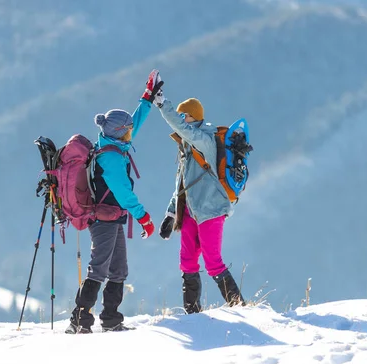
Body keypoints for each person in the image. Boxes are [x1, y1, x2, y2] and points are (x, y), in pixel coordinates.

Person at [65, 72, 162, 334]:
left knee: (118, 269)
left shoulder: (113, 142)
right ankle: (79, 320)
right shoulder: (112, 158)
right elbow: (123, 193)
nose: (132, 133)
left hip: (112, 217)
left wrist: (147, 98)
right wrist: (144, 218)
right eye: (128, 131)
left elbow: (134, 123)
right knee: (99, 268)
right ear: (120, 133)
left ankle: (110, 318)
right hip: (103, 220)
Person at [151, 72, 245, 314]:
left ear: (193, 117)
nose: (181, 119)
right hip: (192, 210)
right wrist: (171, 214)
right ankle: (192, 314)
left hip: (212, 209)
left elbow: (182, 128)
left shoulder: (204, 140)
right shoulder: (186, 146)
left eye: (184, 115)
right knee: (187, 262)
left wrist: (163, 105)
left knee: (213, 262)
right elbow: (182, 184)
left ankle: (240, 307)